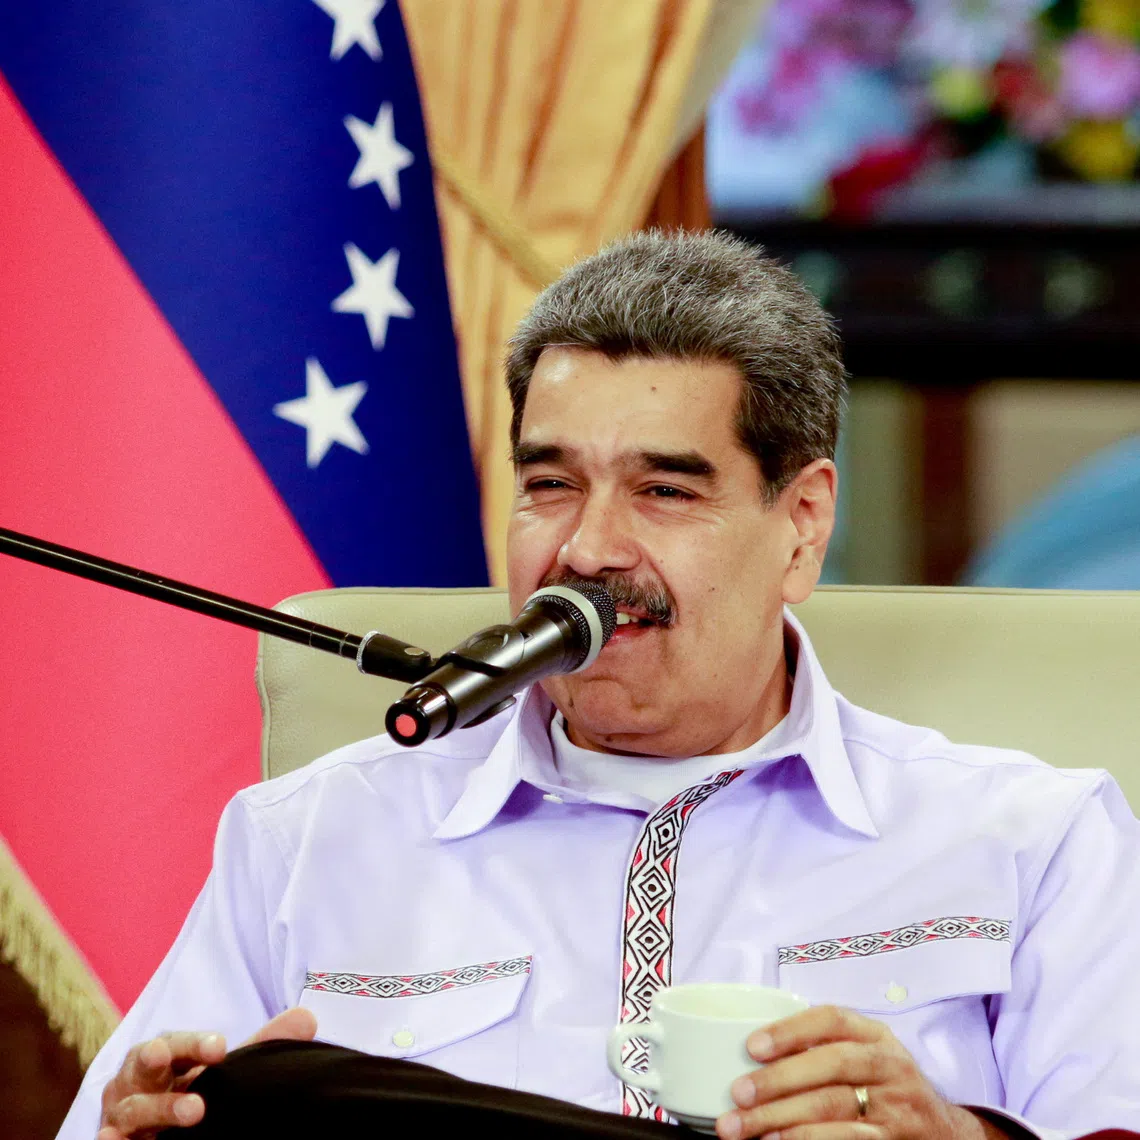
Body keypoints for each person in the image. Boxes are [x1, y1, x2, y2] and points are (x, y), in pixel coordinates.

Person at [64, 231, 1140, 1140]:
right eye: (550, 485)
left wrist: (954, 1137)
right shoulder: (307, 836)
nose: (589, 547)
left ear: (801, 527)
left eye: (665, 489)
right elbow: (132, 1117)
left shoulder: (1036, 839)